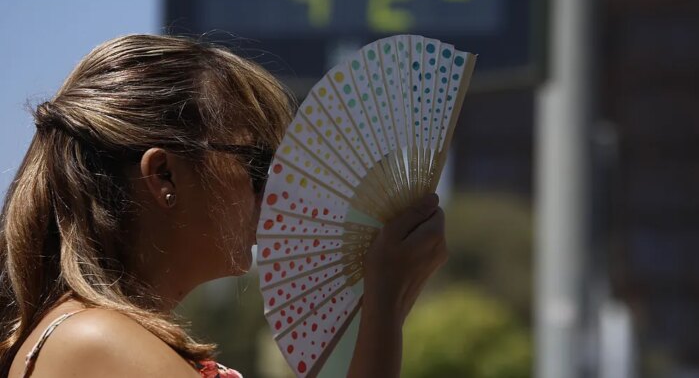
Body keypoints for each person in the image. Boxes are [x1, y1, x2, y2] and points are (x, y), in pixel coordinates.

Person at [0, 34, 448, 377]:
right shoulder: (95, 342)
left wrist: (387, 301)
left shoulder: (97, 336)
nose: (276, 189)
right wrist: (386, 302)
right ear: (164, 176)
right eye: (258, 164)